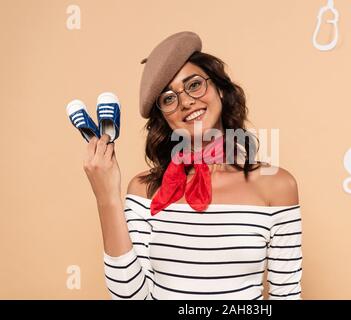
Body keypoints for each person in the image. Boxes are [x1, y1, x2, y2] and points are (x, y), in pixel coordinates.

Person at [83, 31, 302, 300]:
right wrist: (107, 198)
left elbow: (287, 295)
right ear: (163, 119)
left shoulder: (277, 185)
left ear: (220, 89)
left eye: (195, 85)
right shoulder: (144, 190)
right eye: (168, 98)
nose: (186, 101)